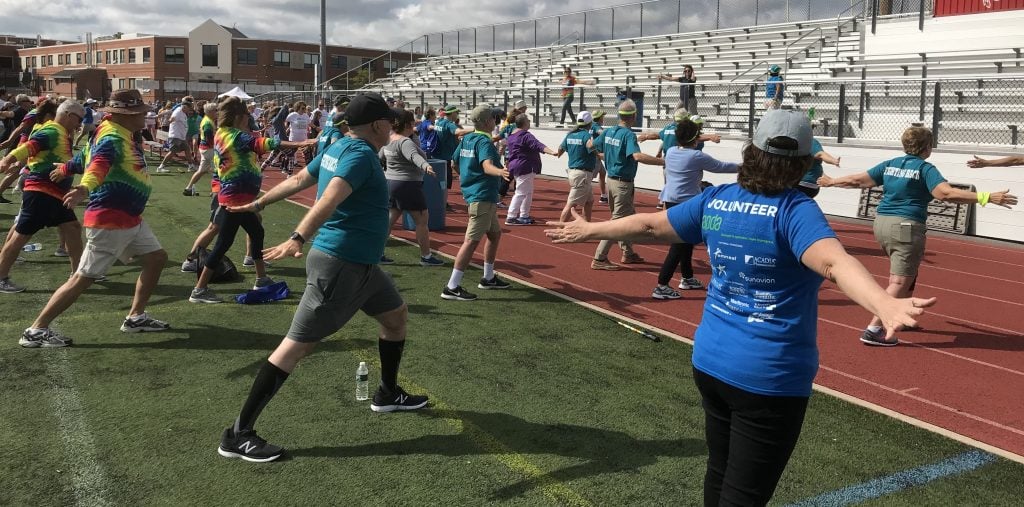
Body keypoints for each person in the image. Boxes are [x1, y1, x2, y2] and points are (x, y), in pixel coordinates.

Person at [544, 108, 939, 506]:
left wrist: (592, 229)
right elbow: (835, 263)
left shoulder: (717, 198)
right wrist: (882, 302)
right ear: (803, 162)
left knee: (719, 471)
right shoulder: (795, 210)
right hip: (768, 376)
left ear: (752, 151)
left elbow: (650, 225)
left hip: (712, 360)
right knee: (744, 494)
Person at [215, 93, 428, 463]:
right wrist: (297, 237)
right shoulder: (360, 154)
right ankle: (238, 434)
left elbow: (299, 178)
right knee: (295, 347)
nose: (391, 127)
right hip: (340, 263)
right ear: (378, 125)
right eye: (388, 122)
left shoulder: (341, 145)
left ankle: (387, 393)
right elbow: (327, 198)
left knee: (395, 318)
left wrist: (259, 203)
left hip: (362, 265)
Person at [817, 126, 1017, 346]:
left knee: (908, 275)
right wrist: (986, 197)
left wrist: (832, 182)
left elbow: (858, 181)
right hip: (905, 226)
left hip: (881, 224)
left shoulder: (890, 164)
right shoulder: (925, 169)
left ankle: (901, 317)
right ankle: (874, 329)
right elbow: (945, 193)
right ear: (928, 147)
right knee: (899, 280)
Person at [20, 89, 171, 348]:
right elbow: (98, 164)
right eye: (141, 113)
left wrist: (66, 168)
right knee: (83, 278)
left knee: (157, 258)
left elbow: (85, 158)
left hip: (129, 217)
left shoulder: (110, 131)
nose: (145, 117)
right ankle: (36, 330)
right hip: (111, 219)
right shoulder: (112, 136)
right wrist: (84, 188)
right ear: (126, 114)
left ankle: (135, 317)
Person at [188, 97, 314, 304]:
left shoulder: (222, 133)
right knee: (222, 244)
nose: (249, 119)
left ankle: (261, 279)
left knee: (257, 232)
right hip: (236, 200)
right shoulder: (236, 136)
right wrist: (300, 143)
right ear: (239, 117)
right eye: (247, 116)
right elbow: (262, 143)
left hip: (238, 198)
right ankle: (199, 290)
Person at [0, 100, 85, 293]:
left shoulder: (60, 132)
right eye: (79, 119)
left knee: (72, 227)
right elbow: (30, 146)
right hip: (41, 192)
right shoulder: (53, 130)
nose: (80, 124)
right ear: (69, 115)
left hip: (55, 193)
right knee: (21, 236)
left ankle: (78, 274)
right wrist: (7, 159)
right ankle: (1, 277)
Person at [651, 117, 739, 300]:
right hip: (687, 204)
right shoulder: (696, 156)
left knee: (686, 242)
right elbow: (721, 167)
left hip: (672, 201)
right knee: (678, 245)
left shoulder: (672, 151)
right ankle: (661, 285)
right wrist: (746, 167)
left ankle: (687, 277)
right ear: (694, 137)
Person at [441, 105, 511, 301]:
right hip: (482, 196)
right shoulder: (484, 142)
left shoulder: (467, 139)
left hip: (478, 194)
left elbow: (454, 162)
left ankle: (488, 277)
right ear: (487, 121)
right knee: (471, 242)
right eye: (493, 118)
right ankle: (452, 286)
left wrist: (467, 178)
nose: (495, 121)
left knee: (495, 234)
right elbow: (487, 166)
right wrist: (501, 172)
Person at [588, 99, 664, 270]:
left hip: (612, 182)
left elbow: (590, 144)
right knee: (617, 223)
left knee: (628, 220)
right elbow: (637, 156)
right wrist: (663, 162)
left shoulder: (609, 132)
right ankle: (599, 258)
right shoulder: (628, 135)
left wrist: (603, 156)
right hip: (622, 184)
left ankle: (627, 253)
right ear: (634, 116)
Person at [380, 108, 445, 266]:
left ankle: (377, 253)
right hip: (408, 184)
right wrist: (425, 166)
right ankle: (426, 256)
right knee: (422, 220)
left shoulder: (389, 139)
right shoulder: (405, 141)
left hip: (391, 183)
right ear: (408, 124)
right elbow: (414, 156)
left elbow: (380, 156)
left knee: (390, 219)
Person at [504, 113, 559, 225]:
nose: (529, 122)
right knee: (521, 192)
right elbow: (538, 145)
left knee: (527, 192)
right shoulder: (525, 135)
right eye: (528, 121)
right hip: (525, 166)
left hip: (517, 165)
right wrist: (552, 152)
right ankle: (511, 216)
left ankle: (524, 215)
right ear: (524, 123)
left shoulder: (511, 135)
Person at [556, 111, 599, 222]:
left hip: (574, 172)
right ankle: (559, 229)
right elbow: (591, 148)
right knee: (571, 205)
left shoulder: (570, 134)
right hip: (582, 175)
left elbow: (560, 150)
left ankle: (586, 226)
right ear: (589, 123)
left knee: (589, 201)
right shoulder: (586, 135)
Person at [183, 102, 218, 196]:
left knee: (201, 170)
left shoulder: (206, 120)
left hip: (204, 148)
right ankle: (215, 191)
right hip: (209, 149)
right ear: (210, 112)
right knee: (218, 170)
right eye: (215, 110)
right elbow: (208, 136)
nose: (217, 112)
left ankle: (188, 188)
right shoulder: (208, 122)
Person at [157, 99, 194, 173]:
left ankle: (190, 166)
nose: (189, 110)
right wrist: (171, 120)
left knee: (187, 149)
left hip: (181, 137)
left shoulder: (182, 111)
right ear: (184, 107)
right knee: (172, 152)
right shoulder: (178, 112)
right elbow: (173, 118)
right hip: (175, 136)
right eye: (189, 108)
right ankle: (161, 167)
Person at [591, 110, 609, 204]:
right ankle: (582, 196)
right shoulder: (596, 126)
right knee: (589, 177)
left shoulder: (590, 125)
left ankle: (603, 196)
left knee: (603, 173)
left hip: (595, 154)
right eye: (602, 116)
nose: (603, 118)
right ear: (599, 117)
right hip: (596, 155)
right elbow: (602, 132)